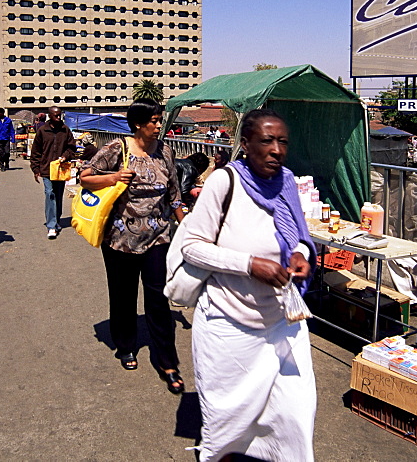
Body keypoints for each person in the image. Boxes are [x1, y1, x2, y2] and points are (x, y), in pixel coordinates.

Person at [178, 108, 317, 461]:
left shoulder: (286, 181)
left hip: (282, 323)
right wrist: (249, 265)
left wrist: (299, 254)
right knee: (227, 423)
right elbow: (192, 247)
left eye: (282, 141)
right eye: (266, 140)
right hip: (230, 326)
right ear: (245, 143)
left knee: (295, 413)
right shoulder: (223, 183)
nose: (276, 149)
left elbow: (299, 235)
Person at [79, 100, 186, 393]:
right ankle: (125, 346)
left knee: (158, 298)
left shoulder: (165, 150)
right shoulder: (117, 149)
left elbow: (174, 194)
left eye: (160, 119)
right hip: (119, 239)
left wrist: (187, 227)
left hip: (158, 237)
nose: (159, 125)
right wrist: (114, 177)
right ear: (138, 123)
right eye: (154, 120)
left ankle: (168, 362)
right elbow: (85, 176)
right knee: (123, 294)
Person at [30, 106, 77, 239]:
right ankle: (51, 225)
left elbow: (71, 147)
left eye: (59, 115)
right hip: (46, 169)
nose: (58, 118)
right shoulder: (42, 131)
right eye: (55, 115)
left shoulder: (65, 130)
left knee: (58, 194)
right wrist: (35, 168)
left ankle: (56, 219)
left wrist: (65, 156)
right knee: (49, 193)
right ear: (50, 116)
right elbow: (36, 151)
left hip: (60, 169)